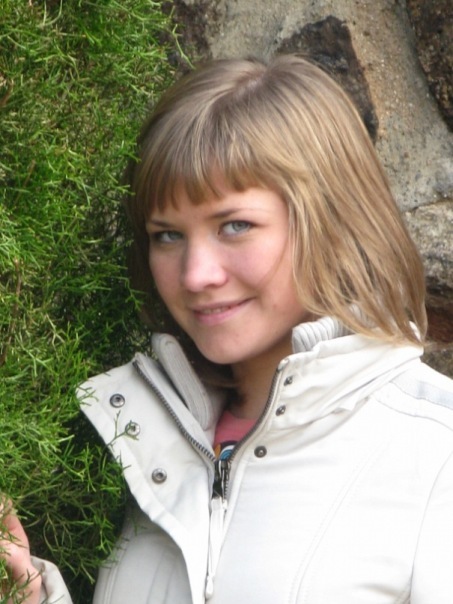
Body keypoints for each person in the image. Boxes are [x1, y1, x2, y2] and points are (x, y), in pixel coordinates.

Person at [2, 54, 453, 603]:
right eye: (167, 235)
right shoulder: (132, 432)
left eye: (235, 225)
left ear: (331, 220)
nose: (196, 275)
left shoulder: (436, 453)